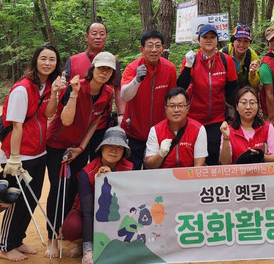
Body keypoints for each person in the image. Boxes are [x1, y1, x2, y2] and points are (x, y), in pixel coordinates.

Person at [44, 52, 116, 257]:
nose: (104, 72)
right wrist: (74, 94)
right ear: (93, 68)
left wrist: (82, 148)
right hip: (57, 144)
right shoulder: (76, 86)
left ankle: (68, 233)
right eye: (101, 68)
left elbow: (95, 123)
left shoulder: (108, 92)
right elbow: (66, 120)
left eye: (108, 69)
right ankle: (52, 239)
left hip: (77, 147)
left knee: (73, 189)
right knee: (58, 189)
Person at [0, 44, 63, 262]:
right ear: (35, 61)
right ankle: (6, 246)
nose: (47, 63)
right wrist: (14, 159)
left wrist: (54, 92)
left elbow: (49, 114)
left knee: (30, 201)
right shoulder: (22, 89)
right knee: (15, 201)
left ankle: (17, 240)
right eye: (43, 58)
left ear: (56, 63)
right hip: (19, 156)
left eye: (52, 59)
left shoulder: (47, 86)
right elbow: (17, 126)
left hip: (39, 153)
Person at [64, 126, 134, 264]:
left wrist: (113, 179)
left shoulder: (130, 168)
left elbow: (129, 201)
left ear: (124, 151)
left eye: (119, 147)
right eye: (109, 146)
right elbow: (87, 212)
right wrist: (88, 250)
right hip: (89, 213)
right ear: (101, 148)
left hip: (118, 213)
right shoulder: (87, 172)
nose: (113, 150)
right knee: (71, 227)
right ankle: (84, 243)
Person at [177, 24, 239, 165]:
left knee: (213, 157)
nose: (209, 40)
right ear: (199, 40)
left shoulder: (225, 60)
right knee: (192, 158)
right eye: (205, 37)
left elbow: (233, 88)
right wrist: (188, 66)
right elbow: (181, 86)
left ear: (217, 40)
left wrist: (238, 112)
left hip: (216, 118)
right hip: (193, 117)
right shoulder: (192, 59)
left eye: (212, 37)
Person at [64, 22, 125, 162]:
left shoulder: (113, 61)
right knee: (77, 163)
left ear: (106, 37)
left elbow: (117, 87)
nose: (98, 37)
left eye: (102, 34)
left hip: (101, 122)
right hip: (76, 124)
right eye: (94, 33)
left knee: (98, 161)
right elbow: (65, 93)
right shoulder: (73, 61)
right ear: (86, 36)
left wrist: (121, 115)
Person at [120, 30, 177, 169]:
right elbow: (125, 96)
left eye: (158, 46)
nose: (154, 50)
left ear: (162, 49)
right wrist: (137, 80)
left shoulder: (169, 69)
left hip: (159, 133)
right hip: (133, 132)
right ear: (142, 49)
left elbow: (172, 100)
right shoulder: (132, 68)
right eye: (149, 46)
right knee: (131, 173)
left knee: (156, 174)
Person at [144, 88, 208, 169]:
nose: (176, 110)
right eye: (172, 106)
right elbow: (150, 166)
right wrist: (160, 154)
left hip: (189, 177)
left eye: (180, 106)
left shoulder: (199, 129)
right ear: (166, 109)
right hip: (163, 178)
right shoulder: (155, 130)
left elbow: (199, 166)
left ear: (187, 108)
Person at [219, 86, 274, 164]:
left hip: (262, 174)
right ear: (237, 106)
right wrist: (226, 138)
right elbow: (224, 164)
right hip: (238, 174)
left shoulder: (267, 127)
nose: (248, 107)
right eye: (244, 103)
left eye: (252, 103)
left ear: (258, 106)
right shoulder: (228, 131)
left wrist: (260, 156)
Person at [221, 24, 260, 89]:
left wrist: (252, 74)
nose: (242, 44)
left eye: (245, 41)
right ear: (233, 41)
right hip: (225, 90)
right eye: (238, 40)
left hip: (244, 92)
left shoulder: (252, 56)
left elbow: (255, 85)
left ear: (249, 43)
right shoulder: (223, 53)